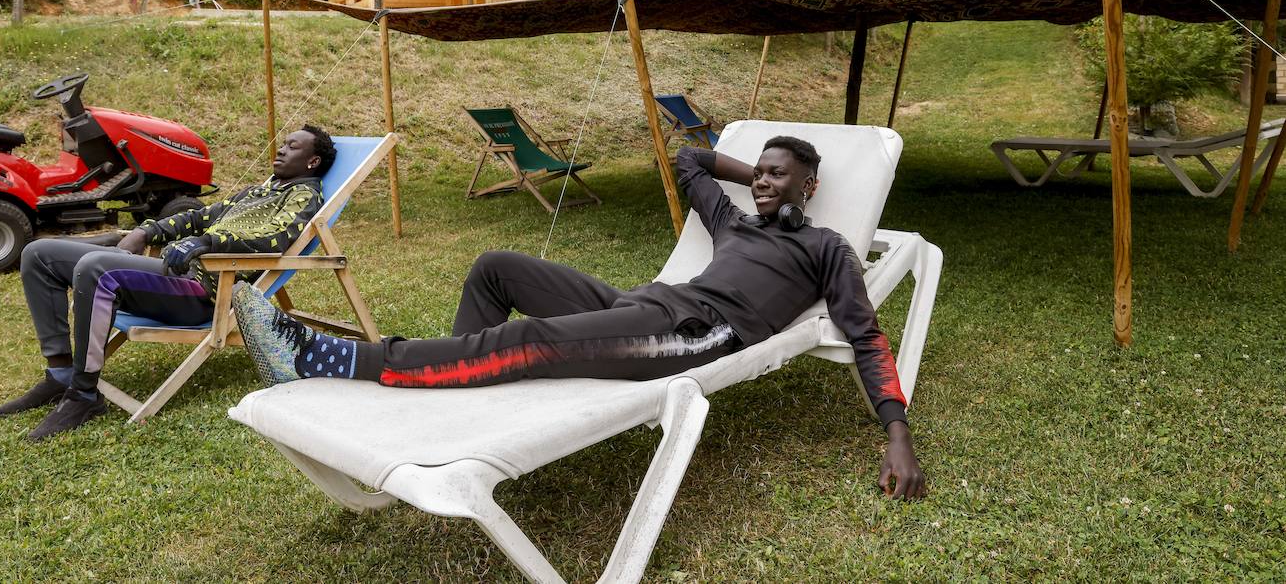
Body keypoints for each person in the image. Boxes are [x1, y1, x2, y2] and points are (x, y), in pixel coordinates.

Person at [236, 136, 925, 497]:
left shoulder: (825, 247)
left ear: (810, 184)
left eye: (782, 174)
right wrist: (756, 180)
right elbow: (689, 158)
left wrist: (896, 434)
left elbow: (864, 333)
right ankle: (448, 401)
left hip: (696, 336)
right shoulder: (737, 220)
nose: (767, 181)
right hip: (645, 302)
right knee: (495, 265)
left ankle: (326, 357)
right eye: (762, 172)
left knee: (528, 339)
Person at [0, 125, 337, 441]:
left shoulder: (304, 197)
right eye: (282, 143)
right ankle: (60, 373)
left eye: (292, 147)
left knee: (95, 266)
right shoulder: (259, 191)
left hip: (203, 291)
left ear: (313, 160)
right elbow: (199, 216)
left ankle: (84, 394)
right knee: (37, 253)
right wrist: (146, 231)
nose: (280, 150)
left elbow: (276, 239)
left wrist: (207, 243)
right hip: (172, 275)